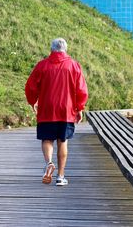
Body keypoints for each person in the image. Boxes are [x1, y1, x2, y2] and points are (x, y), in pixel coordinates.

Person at [25, 38, 88, 186]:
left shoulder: (42, 66)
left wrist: (32, 101)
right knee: (62, 141)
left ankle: (49, 163)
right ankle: (60, 176)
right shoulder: (73, 65)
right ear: (65, 49)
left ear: (51, 49)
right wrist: (79, 108)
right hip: (66, 110)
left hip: (47, 109)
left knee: (47, 140)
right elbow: (81, 90)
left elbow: (31, 86)